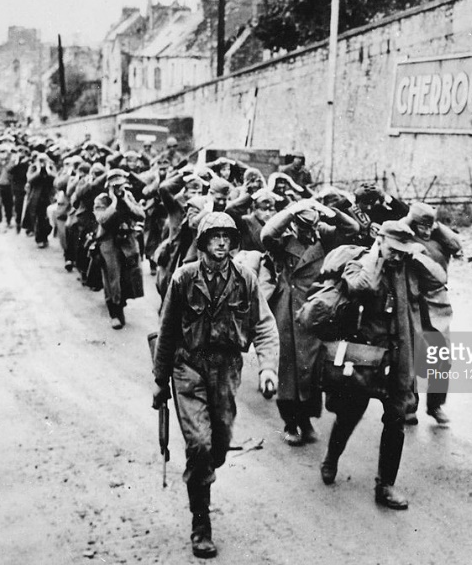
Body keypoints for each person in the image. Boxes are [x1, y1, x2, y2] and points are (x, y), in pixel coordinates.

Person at [152, 212, 279, 559]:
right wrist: (160, 380)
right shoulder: (184, 278)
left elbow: (264, 326)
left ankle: (206, 467)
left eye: (227, 237)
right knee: (200, 445)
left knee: (219, 443)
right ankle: (201, 524)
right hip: (188, 367)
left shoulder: (245, 279)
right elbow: (166, 333)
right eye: (215, 236)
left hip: (225, 370)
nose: (222, 243)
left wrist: (268, 368)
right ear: (203, 241)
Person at [320, 221, 446, 509]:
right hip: (366, 356)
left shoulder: (408, 266)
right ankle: (331, 458)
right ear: (380, 240)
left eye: (402, 250)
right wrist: (377, 256)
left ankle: (385, 485)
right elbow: (361, 286)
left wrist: (416, 254)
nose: (397, 256)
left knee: (396, 419)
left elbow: (438, 279)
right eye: (393, 249)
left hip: (400, 357)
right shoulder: (360, 262)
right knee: (350, 414)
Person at [261, 197, 360, 446]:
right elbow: (266, 234)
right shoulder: (282, 242)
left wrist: (331, 212)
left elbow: (353, 230)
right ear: (294, 224)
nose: (309, 232)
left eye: (312, 226)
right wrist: (290, 210)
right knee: (288, 367)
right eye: (304, 226)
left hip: (316, 309)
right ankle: (290, 423)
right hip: (287, 309)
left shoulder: (324, 237)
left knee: (313, 368)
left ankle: (306, 419)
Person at [400, 202, 461, 425]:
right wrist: (409, 218)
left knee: (442, 357)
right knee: (411, 356)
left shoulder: (440, 240)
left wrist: (436, 225)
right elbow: (390, 234)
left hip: (437, 303)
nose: (425, 229)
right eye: (421, 225)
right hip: (412, 302)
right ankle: (409, 405)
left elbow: (456, 244)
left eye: (429, 225)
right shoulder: (406, 237)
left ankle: (435, 405)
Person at [92, 169, 145, 329]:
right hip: (109, 240)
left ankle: (120, 304)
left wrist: (126, 201)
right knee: (111, 277)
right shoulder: (102, 200)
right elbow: (102, 219)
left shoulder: (128, 196)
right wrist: (114, 202)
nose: (119, 189)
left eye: (121, 185)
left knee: (129, 276)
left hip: (127, 239)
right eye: (115, 186)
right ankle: (114, 312)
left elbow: (140, 215)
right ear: (109, 186)